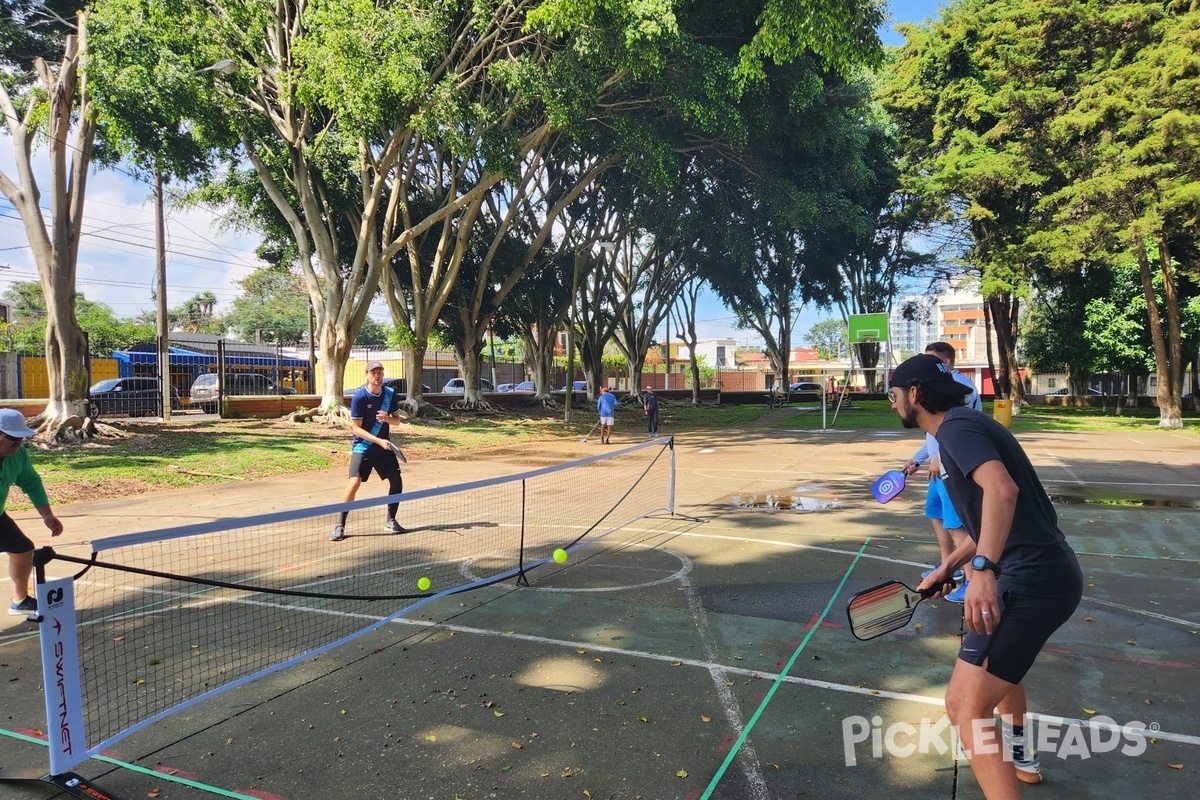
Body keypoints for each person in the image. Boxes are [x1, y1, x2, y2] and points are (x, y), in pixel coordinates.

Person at [890, 354, 1083, 795]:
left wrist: (983, 571)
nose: (893, 404)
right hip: (1047, 575)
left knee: (964, 706)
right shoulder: (966, 425)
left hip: (1029, 580)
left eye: (894, 395)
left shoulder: (956, 429)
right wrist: (949, 566)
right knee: (1000, 671)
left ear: (914, 394)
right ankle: (1021, 755)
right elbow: (991, 519)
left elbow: (1002, 490)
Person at [902, 342, 982, 603]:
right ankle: (949, 565)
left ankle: (971, 580)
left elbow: (955, 429)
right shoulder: (933, 391)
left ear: (945, 363)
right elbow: (933, 433)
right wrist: (918, 459)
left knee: (956, 525)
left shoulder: (961, 388)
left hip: (950, 467)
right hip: (938, 467)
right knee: (936, 515)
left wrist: (939, 458)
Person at [331, 361, 406, 541]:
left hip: (383, 447)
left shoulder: (389, 394)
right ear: (367, 375)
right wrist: (378, 440)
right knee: (354, 482)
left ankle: (391, 520)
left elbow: (397, 421)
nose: (377, 376)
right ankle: (340, 524)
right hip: (363, 446)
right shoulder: (360, 398)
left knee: (396, 481)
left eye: (380, 372)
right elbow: (356, 429)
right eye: (373, 372)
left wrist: (387, 419)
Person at [0, 409, 63, 615]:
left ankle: (19, 600)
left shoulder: (18, 455)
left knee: (22, 548)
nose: (18, 443)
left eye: (21, 437)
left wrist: (47, 515)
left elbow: (31, 482)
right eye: (13, 438)